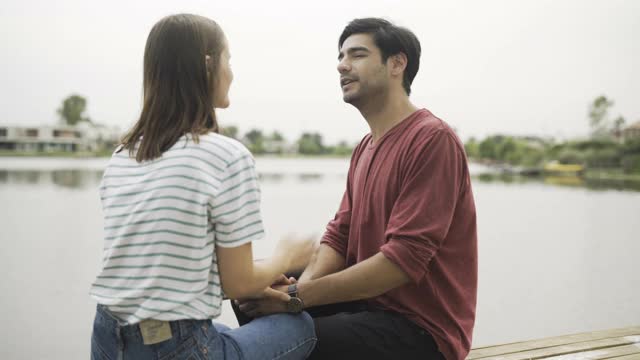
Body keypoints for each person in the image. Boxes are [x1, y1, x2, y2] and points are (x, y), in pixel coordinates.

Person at [235, 18, 478, 360]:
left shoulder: (432, 140)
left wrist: (296, 299)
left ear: (397, 63)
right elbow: (340, 236)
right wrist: (291, 289)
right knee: (251, 292)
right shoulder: (366, 146)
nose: (342, 65)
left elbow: (402, 262)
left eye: (358, 55)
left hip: (421, 330)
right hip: (371, 306)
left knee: (284, 330)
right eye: (341, 56)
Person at [89, 14, 316, 360]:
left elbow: (164, 273)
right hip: (174, 346)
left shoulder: (123, 155)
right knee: (298, 328)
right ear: (208, 65)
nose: (232, 73)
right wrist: (287, 255)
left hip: (108, 338)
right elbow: (240, 284)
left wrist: (261, 280)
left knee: (221, 330)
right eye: (229, 59)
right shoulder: (226, 156)